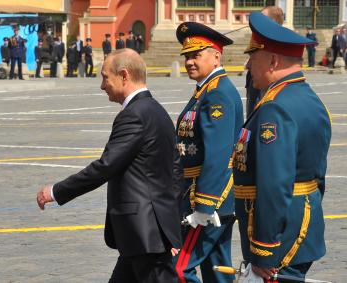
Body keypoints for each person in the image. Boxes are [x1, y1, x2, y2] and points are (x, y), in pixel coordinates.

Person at [36, 48, 183, 283]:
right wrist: (169, 225)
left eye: (105, 77)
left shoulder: (134, 115)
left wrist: (56, 191)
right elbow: (175, 172)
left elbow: (105, 166)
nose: (102, 86)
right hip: (145, 235)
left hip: (144, 234)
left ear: (124, 75)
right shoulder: (157, 111)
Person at [233, 12, 331, 281]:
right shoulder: (308, 98)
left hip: (281, 235)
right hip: (301, 223)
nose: (247, 66)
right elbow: (318, 173)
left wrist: (264, 249)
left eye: (253, 58)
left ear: (273, 61)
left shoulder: (275, 108)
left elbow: (274, 183)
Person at [174, 22, 243, 283]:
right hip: (203, 195)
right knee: (218, 271)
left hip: (208, 200)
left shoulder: (217, 95)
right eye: (187, 56)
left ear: (216, 56)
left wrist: (204, 205)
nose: (190, 61)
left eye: (196, 55)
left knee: (178, 268)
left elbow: (219, 154)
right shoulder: (205, 91)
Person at [245, 6, 284, 119]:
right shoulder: (258, 38)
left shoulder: (279, 41)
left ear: (272, 22)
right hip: (254, 81)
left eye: (262, 18)